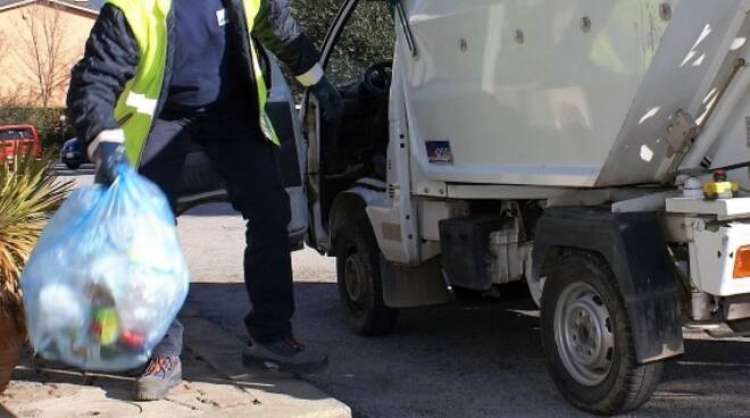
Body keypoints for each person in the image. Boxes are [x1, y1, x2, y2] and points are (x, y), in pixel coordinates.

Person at [66, 0, 343, 402]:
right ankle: (159, 350)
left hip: (230, 113)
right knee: (147, 229)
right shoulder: (133, 8)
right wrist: (104, 145)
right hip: (163, 116)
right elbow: (92, 84)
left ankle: (271, 335)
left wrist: (317, 81)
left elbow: (281, 31)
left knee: (271, 212)